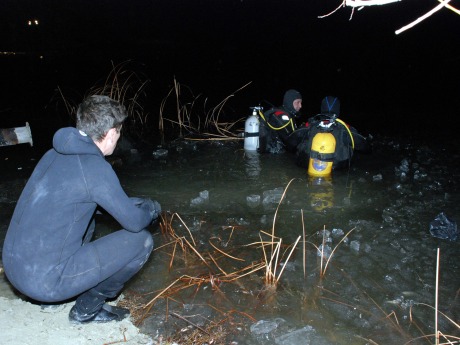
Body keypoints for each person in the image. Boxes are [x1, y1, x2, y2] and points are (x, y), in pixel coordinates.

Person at [2, 95, 161, 324]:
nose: (119, 137)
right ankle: (87, 309)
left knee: (88, 216)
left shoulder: (54, 154)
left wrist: (129, 203)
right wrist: (152, 207)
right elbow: (135, 222)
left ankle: (51, 299)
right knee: (141, 242)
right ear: (110, 132)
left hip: (16, 270)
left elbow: (78, 199)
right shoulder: (95, 168)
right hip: (44, 284)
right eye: (119, 131)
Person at [295, 95, 371, 170]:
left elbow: (292, 139)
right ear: (337, 109)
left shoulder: (311, 124)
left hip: (309, 166)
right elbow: (364, 146)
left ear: (322, 108)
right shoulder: (345, 127)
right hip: (336, 169)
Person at [258, 89, 302, 154]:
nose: (300, 106)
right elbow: (292, 143)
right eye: (297, 102)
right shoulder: (282, 116)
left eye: (301, 103)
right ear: (290, 102)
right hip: (272, 156)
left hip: (275, 154)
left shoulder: (286, 114)